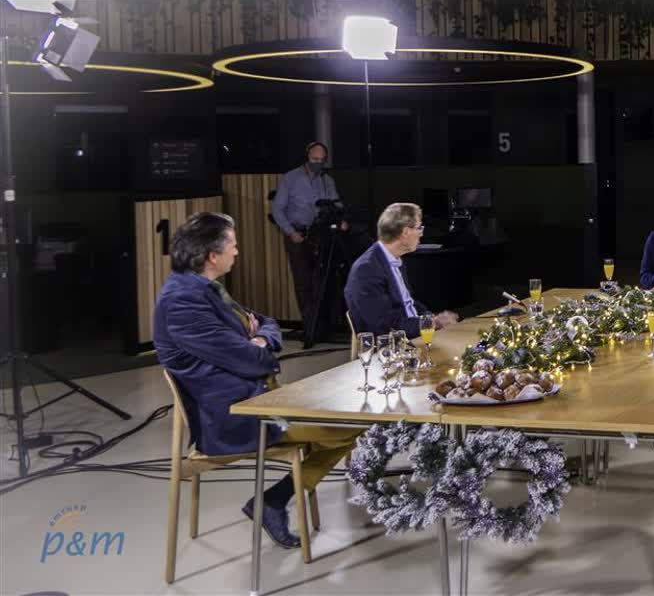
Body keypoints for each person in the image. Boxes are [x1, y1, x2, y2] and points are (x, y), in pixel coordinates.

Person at [154, 212, 359, 549]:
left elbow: (266, 322)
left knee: (352, 421)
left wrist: (260, 338)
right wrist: (257, 346)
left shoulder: (203, 288)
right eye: (233, 246)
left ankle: (273, 501)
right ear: (212, 255)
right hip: (237, 414)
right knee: (348, 426)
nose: (237, 252)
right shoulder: (182, 302)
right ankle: (274, 501)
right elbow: (252, 360)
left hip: (259, 397)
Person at [271, 141, 349, 340]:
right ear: (307, 157)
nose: (318, 163)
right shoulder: (290, 179)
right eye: (315, 159)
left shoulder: (327, 180)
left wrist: (341, 219)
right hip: (298, 236)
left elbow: (336, 204)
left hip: (322, 236)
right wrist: (290, 232)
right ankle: (310, 328)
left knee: (323, 282)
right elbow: (277, 210)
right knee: (303, 283)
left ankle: (323, 327)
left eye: (322, 160)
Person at [344, 203, 459, 338]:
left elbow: (409, 303)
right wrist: (433, 323)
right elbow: (385, 327)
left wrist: (432, 318)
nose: (421, 233)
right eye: (419, 228)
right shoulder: (367, 270)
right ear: (405, 232)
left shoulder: (393, 259)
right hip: (394, 344)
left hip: (413, 335)